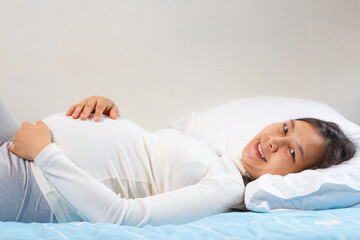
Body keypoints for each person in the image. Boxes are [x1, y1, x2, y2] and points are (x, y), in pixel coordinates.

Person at [1, 96, 356, 226]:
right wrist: (105, 109)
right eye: (283, 128)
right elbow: (139, 159)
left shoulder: (226, 189)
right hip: (25, 145)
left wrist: (45, 153)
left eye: (292, 152)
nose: (273, 141)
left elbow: (125, 218)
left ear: (293, 177)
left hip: (35, 186)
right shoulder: (216, 155)